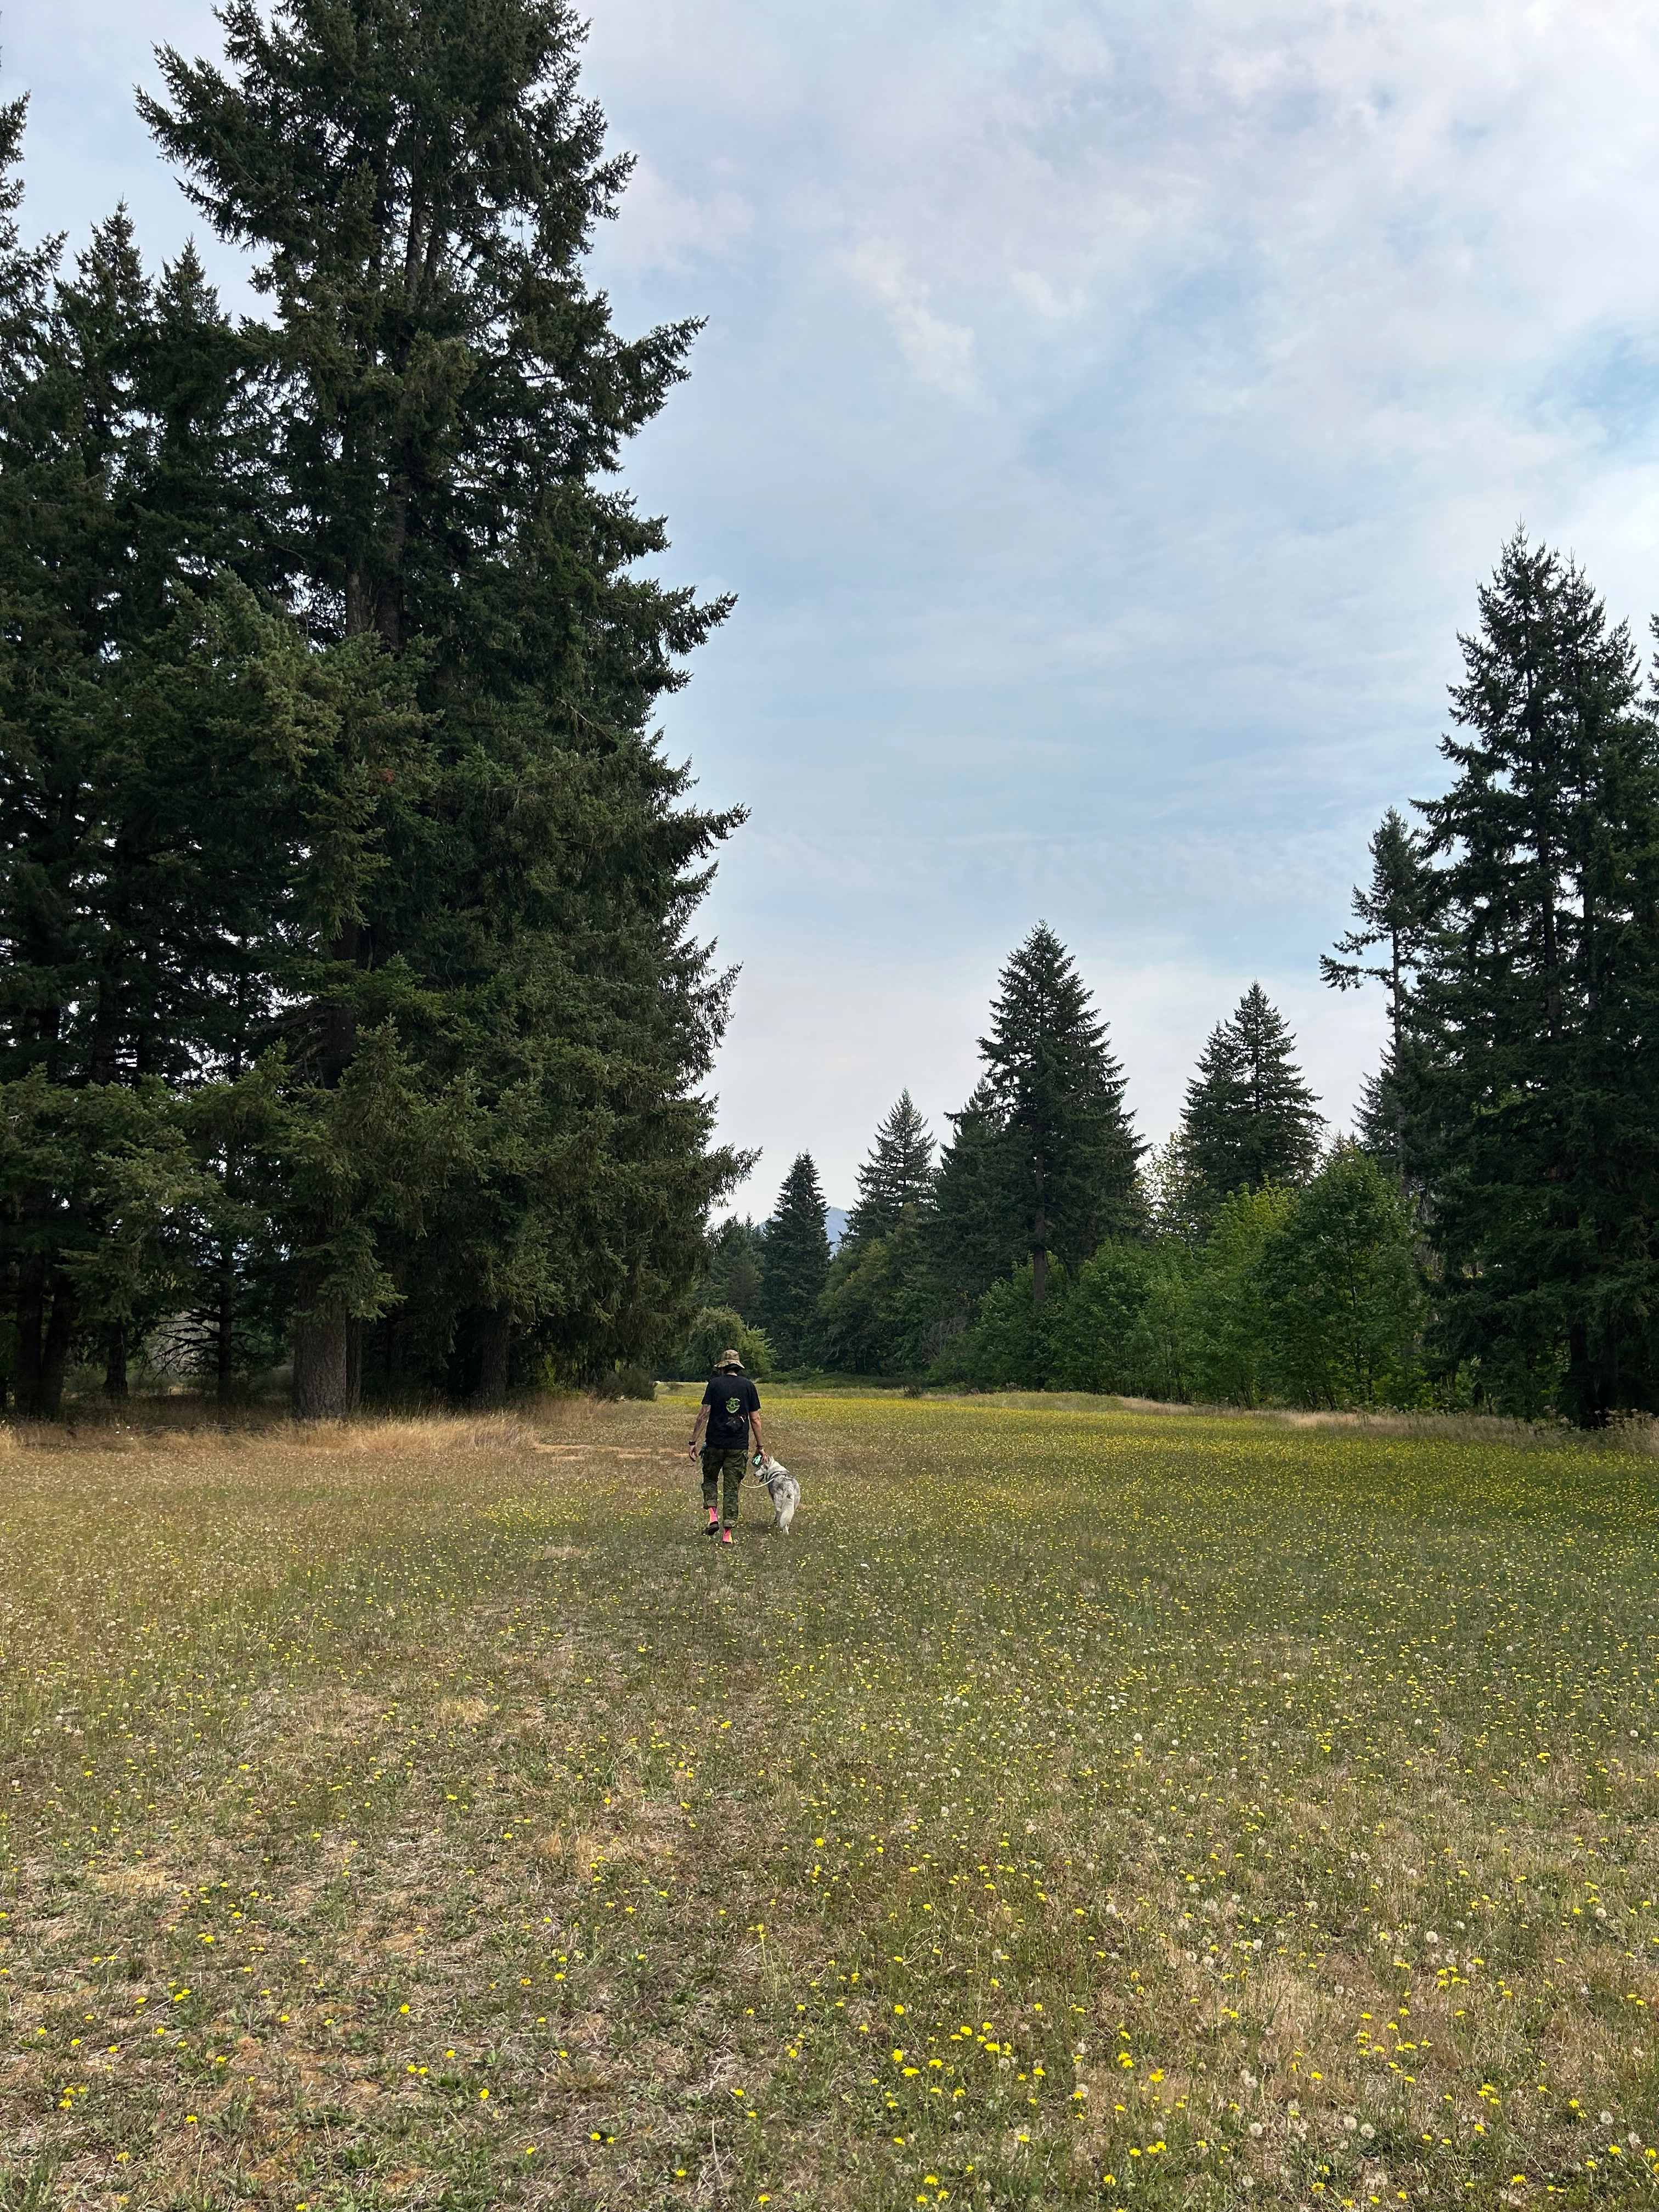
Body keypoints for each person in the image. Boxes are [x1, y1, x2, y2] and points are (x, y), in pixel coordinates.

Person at [687, 1348, 766, 1545]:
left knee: (710, 1480)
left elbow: (704, 1414)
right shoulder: (749, 1386)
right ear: (737, 1367)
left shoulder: (714, 1384)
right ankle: (727, 1535)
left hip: (714, 1443)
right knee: (732, 1489)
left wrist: (693, 1442)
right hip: (738, 1447)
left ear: (722, 1367)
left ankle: (713, 1516)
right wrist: (760, 1446)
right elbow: (755, 1419)